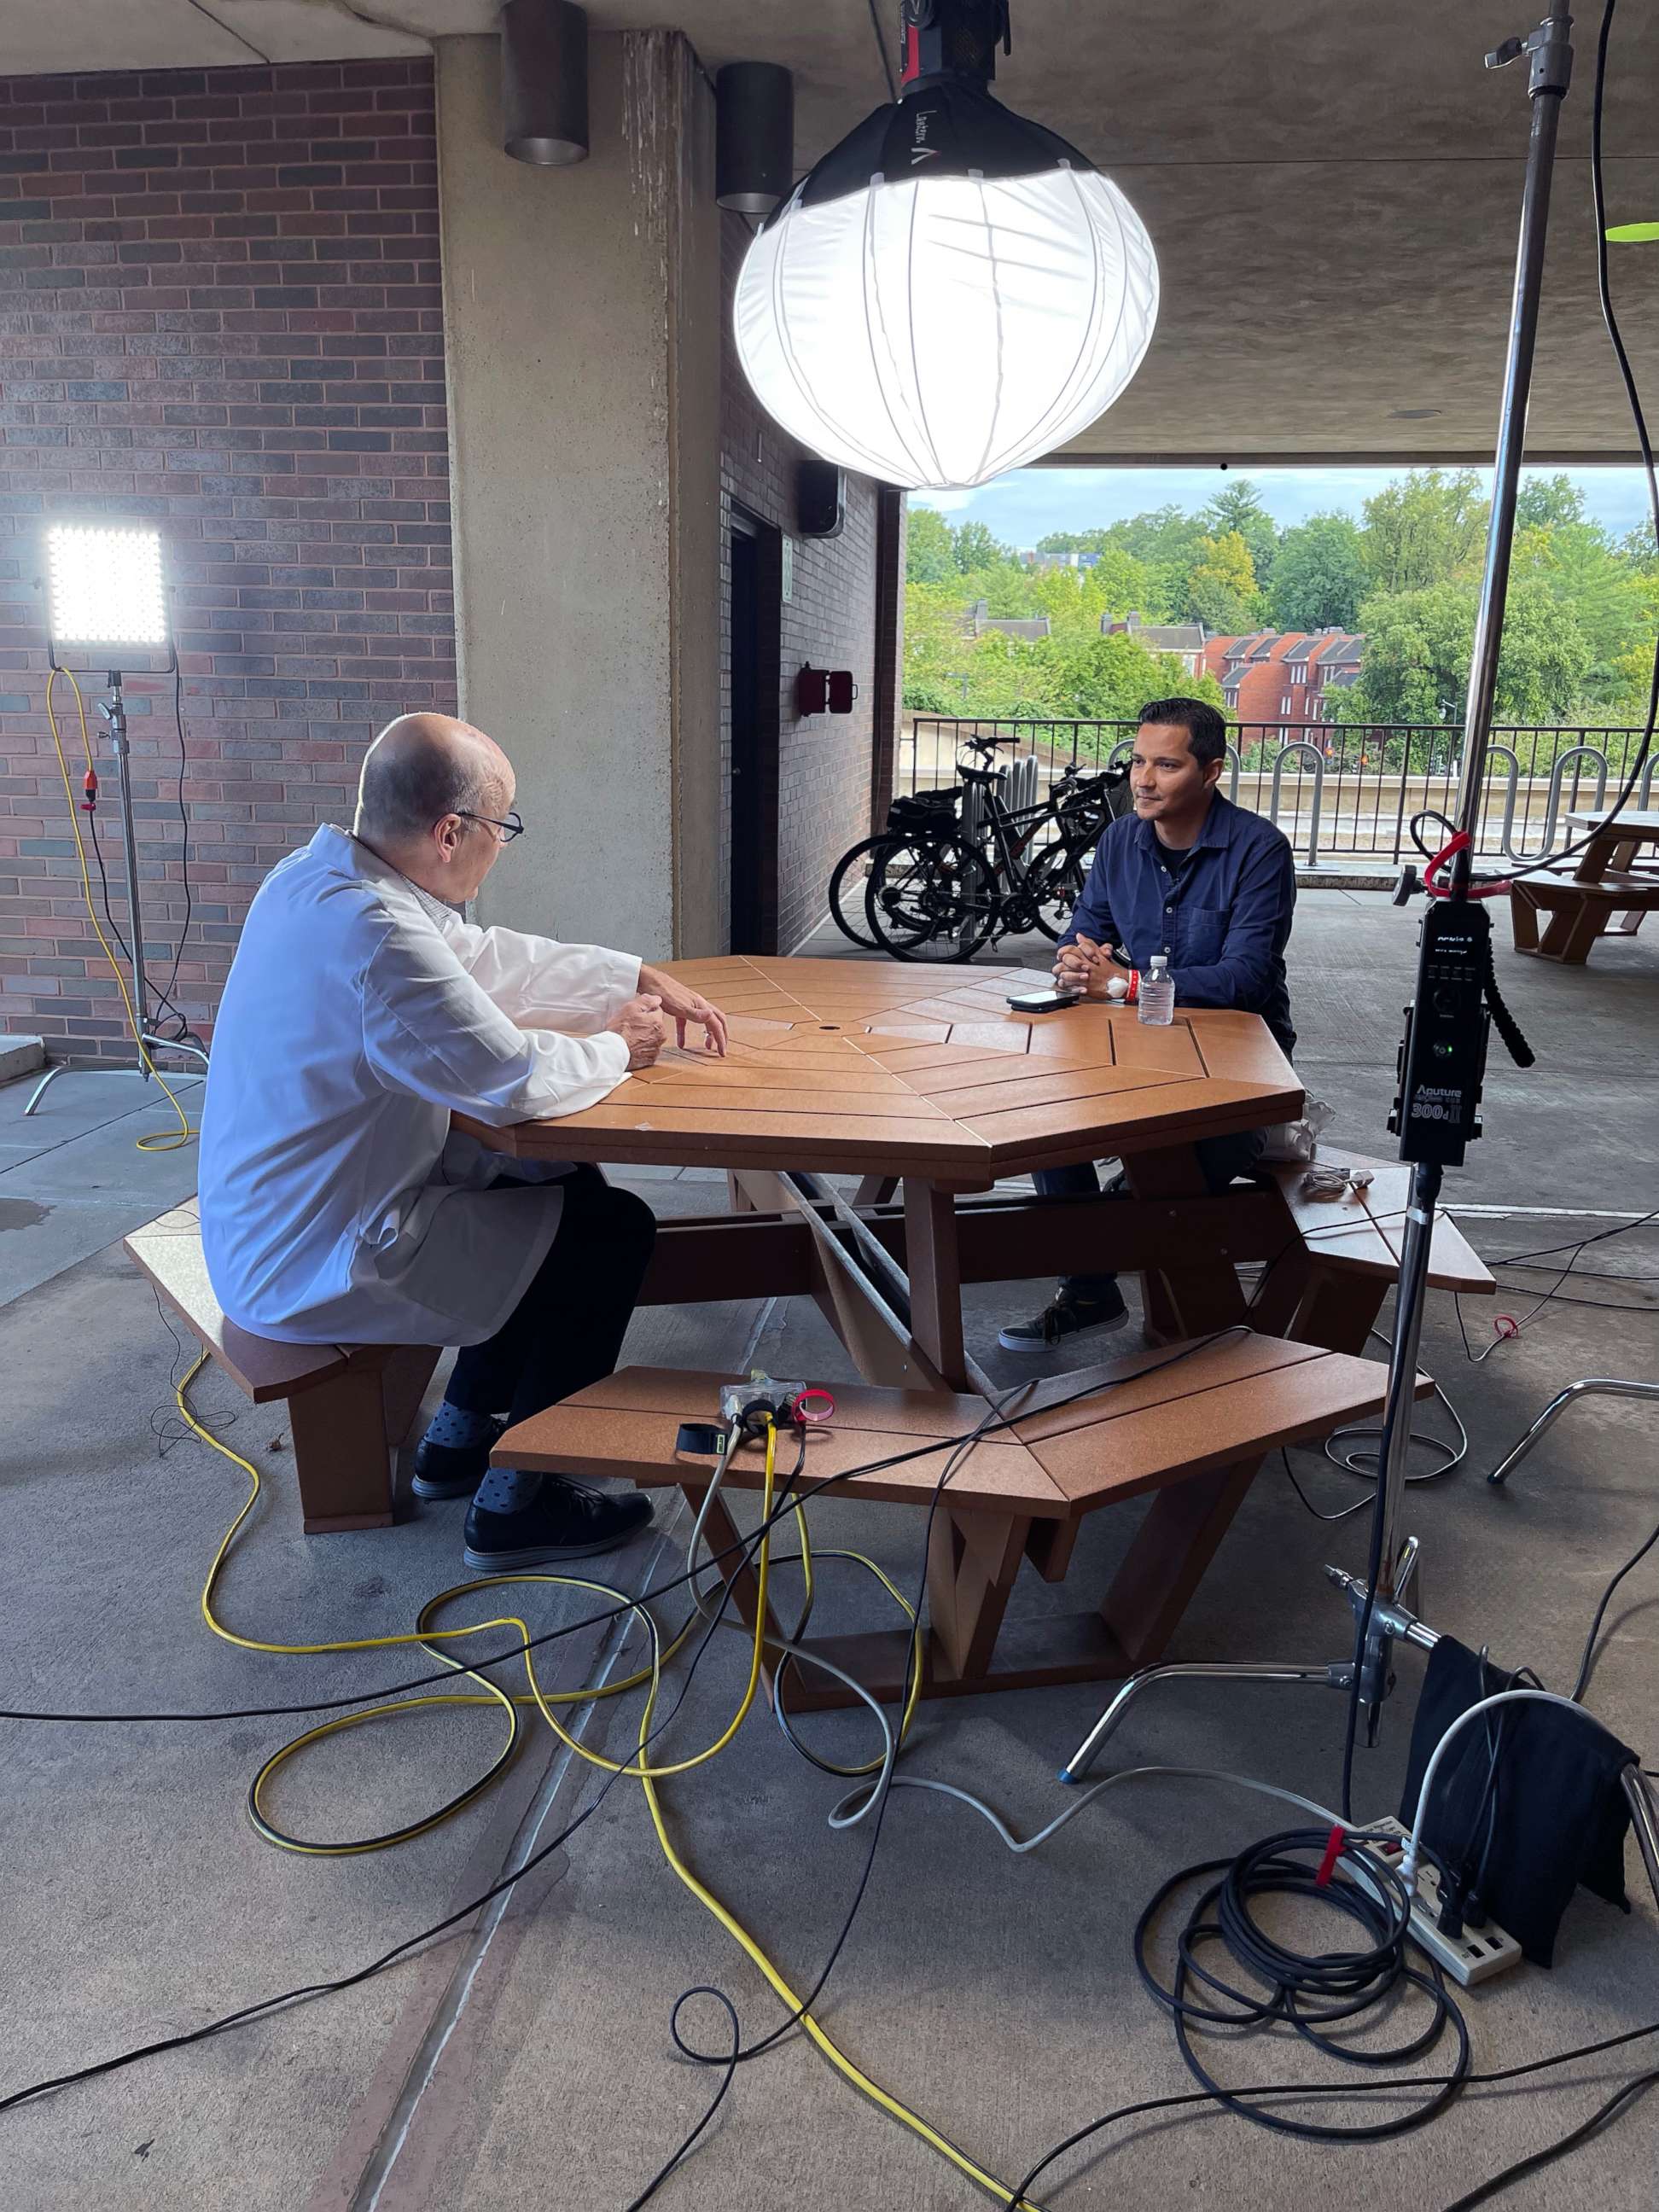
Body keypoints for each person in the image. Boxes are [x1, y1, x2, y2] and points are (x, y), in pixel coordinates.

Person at [199, 712, 729, 1569]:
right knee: (611, 1230)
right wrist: (620, 1047)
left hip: (287, 1211)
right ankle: (524, 1498)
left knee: (562, 1193)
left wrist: (631, 975)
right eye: (503, 825)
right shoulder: (373, 934)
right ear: (451, 832)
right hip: (312, 1254)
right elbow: (509, 1078)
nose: (505, 844)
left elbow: (479, 959)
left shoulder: (316, 881)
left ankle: (459, 1438)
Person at [998, 696, 1296, 1352]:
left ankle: (1136, 1280)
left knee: (1174, 1182)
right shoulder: (1118, 839)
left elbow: (1244, 979)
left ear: (1211, 771)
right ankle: (1090, 1289)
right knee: (1052, 1122)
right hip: (1137, 1040)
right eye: (1138, 761)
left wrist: (1126, 982)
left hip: (1239, 1061)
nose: (1143, 779)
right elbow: (1089, 928)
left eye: (1166, 764)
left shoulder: (1259, 850)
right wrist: (1077, 958)